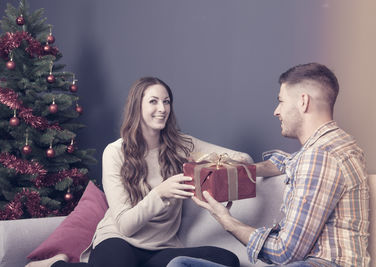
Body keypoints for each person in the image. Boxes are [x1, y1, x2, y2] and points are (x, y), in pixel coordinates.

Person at [26, 77, 253, 267]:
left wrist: (217, 164)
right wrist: (160, 193)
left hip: (162, 247)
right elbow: (125, 224)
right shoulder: (115, 152)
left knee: (228, 260)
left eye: (167, 102)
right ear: (138, 106)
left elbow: (244, 159)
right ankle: (56, 264)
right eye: (153, 101)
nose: (162, 109)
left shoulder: (183, 145)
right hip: (119, 239)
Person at [167, 63, 370, 267]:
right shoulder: (340, 144)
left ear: (303, 102)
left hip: (320, 264)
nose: (276, 111)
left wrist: (225, 220)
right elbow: (287, 162)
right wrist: (242, 168)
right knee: (181, 264)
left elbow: (285, 253)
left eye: (281, 101)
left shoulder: (318, 157)